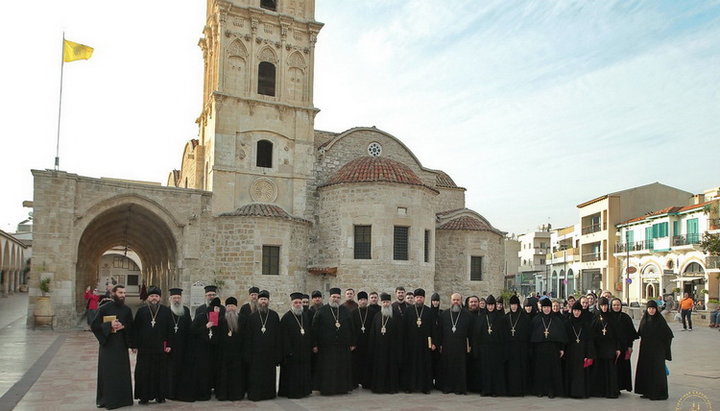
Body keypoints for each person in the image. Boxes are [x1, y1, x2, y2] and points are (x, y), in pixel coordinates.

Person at [91, 284, 134, 410]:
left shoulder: (127, 310)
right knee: (108, 373)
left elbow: (131, 326)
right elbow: (94, 326)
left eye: (124, 293)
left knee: (122, 372)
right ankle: (107, 400)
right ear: (113, 294)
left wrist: (124, 327)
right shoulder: (104, 308)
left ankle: (123, 400)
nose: (123, 295)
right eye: (120, 293)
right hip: (108, 345)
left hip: (121, 345)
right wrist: (109, 325)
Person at [132, 286, 173, 405]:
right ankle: (144, 397)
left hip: (160, 348)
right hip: (144, 348)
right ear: (148, 298)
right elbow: (136, 329)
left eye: (156, 296)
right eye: (151, 296)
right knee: (144, 373)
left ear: (159, 297)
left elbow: (170, 329)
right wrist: (134, 345)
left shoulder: (166, 310)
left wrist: (169, 344)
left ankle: (160, 396)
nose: (154, 298)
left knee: (160, 373)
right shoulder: (141, 311)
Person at [312, 287, 356, 395]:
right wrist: (314, 344)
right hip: (326, 347)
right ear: (329, 297)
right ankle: (327, 389)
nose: (335, 299)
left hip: (342, 346)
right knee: (328, 369)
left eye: (337, 297)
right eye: (333, 297)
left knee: (341, 369)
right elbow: (314, 329)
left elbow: (352, 328)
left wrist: (353, 343)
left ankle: (341, 388)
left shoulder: (346, 311)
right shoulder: (321, 311)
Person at [180, 297, 223, 401]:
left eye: (219, 308)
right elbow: (192, 330)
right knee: (202, 372)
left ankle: (208, 392)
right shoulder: (201, 317)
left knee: (209, 372)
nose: (217, 310)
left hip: (212, 350)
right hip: (201, 351)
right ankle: (201, 393)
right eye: (216, 308)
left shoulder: (219, 319)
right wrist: (206, 327)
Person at [245, 290, 281, 401]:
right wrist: (248, 353)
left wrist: (277, 354)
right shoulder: (252, 317)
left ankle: (269, 394)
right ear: (258, 301)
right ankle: (255, 394)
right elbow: (248, 337)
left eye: (265, 299)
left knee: (269, 375)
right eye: (261, 299)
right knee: (255, 375)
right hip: (256, 353)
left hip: (270, 353)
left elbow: (278, 336)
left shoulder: (274, 315)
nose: (263, 301)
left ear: (268, 301)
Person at [634, 300, 673, 400]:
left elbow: (668, 335)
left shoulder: (660, 321)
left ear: (656, 309)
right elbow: (640, 333)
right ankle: (646, 391)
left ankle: (658, 393)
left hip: (657, 351)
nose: (651, 310)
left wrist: (665, 351)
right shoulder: (645, 320)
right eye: (649, 308)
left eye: (653, 308)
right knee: (646, 370)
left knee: (657, 372)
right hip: (645, 350)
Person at [278, 292, 314, 399]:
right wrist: (289, 351)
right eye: (296, 302)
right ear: (292, 303)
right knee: (293, 374)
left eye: (300, 302)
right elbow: (284, 337)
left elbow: (308, 333)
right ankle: (292, 392)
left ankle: (304, 391)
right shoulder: (286, 317)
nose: (298, 304)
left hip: (304, 351)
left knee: (303, 372)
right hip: (292, 353)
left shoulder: (305, 316)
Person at [401, 288, 437, 394]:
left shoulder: (429, 311)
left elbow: (433, 328)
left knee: (424, 365)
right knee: (410, 365)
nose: (419, 299)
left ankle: (425, 387)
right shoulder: (408, 310)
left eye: (421, 297)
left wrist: (434, 342)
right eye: (417, 297)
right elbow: (404, 327)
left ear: (424, 298)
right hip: (411, 344)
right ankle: (410, 387)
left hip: (425, 344)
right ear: (414, 299)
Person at [530, 298, 567, 398]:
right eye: (545, 307)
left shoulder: (557, 320)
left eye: (548, 307)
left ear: (551, 308)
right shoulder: (536, 319)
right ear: (541, 308)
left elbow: (562, 336)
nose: (546, 309)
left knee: (552, 371)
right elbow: (532, 335)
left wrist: (562, 348)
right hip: (540, 348)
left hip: (553, 348)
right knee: (540, 370)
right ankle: (540, 390)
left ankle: (552, 390)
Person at [368, 293, 404, 393]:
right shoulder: (377, 316)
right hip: (379, 349)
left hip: (392, 349)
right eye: (384, 302)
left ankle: (391, 388)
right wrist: (372, 348)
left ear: (390, 302)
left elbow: (400, 334)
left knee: (391, 369)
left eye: (387, 302)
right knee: (380, 368)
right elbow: (373, 333)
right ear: (381, 303)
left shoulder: (396, 316)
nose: (386, 304)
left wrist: (399, 349)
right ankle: (379, 388)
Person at [437, 293, 473, 394]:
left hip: (461, 346)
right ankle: (447, 387)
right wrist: (439, 344)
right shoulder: (444, 314)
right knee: (447, 367)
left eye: (458, 300)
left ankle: (459, 388)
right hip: (447, 346)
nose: (456, 302)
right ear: (451, 301)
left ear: (461, 301)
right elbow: (440, 331)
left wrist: (470, 345)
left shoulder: (467, 315)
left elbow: (471, 332)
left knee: (460, 368)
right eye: (454, 300)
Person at [473, 294, 507, 396]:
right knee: (485, 370)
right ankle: (485, 389)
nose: (490, 307)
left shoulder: (500, 318)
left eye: (492, 305)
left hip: (496, 349)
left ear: (495, 306)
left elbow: (504, 335)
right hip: (484, 348)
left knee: (495, 370)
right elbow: (476, 334)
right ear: (486, 306)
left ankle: (495, 390)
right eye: (489, 305)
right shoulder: (481, 317)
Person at [215, 297, 247, 401]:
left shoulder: (243, 319)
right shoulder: (220, 320)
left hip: (238, 353)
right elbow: (216, 336)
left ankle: (237, 395)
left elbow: (246, 336)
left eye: (232, 306)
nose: (230, 308)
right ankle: (223, 395)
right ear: (226, 308)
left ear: (236, 307)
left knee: (237, 376)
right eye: (228, 306)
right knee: (223, 375)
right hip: (223, 353)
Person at [589, 297, 620, 398]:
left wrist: (617, 348)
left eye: (606, 305)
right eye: (602, 305)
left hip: (610, 347)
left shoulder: (612, 317)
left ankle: (610, 391)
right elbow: (592, 333)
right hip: (599, 347)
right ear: (599, 306)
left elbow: (617, 334)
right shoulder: (596, 317)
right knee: (599, 369)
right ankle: (599, 391)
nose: (604, 307)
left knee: (610, 369)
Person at [564, 301, 595, 399]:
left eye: (578, 311)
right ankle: (570, 392)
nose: (576, 313)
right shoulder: (567, 323)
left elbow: (589, 340)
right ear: (572, 311)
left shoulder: (585, 324)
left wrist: (589, 354)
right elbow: (564, 338)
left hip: (582, 351)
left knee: (582, 373)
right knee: (571, 372)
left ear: (581, 312)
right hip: (571, 351)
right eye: (575, 310)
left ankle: (581, 392)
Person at [166, 288, 191, 401]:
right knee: (170, 371)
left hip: (183, 346)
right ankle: (170, 393)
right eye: (174, 298)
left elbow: (189, 328)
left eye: (178, 298)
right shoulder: (166, 311)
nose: (176, 300)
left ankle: (181, 392)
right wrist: (165, 345)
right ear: (170, 299)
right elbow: (162, 330)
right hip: (170, 347)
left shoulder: (185, 310)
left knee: (182, 370)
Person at [608, 297, 638, 392]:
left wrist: (630, 346)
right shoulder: (608, 317)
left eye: (618, 305)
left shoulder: (625, 317)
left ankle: (621, 386)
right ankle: (613, 387)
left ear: (621, 306)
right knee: (613, 368)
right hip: (611, 347)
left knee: (622, 368)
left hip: (624, 346)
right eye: (614, 305)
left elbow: (631, 334)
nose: (616, 307)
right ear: (611, 306)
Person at [505, 295, 531, 396]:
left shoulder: (524, 317)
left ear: (518, 305)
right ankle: (510, 390)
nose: (513, 307)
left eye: (515, 304)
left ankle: (521, 390)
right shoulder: (507, 317)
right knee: (511, 370)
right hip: (510, 348)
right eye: (512, 305)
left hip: (521, 347)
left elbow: (528, 333)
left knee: (521, 369)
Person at [351, 291, 374, 388]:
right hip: (357, 343)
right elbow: (351, 329)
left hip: (369, 343)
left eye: (364, 300)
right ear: (358, 301)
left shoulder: (372, 313)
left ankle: (366, 383)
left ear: (367, 301)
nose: (363, 302)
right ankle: (355, 382)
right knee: (356, 364)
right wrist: (352, 343)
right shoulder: (353, 313)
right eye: (361, 300)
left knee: (367, 364)